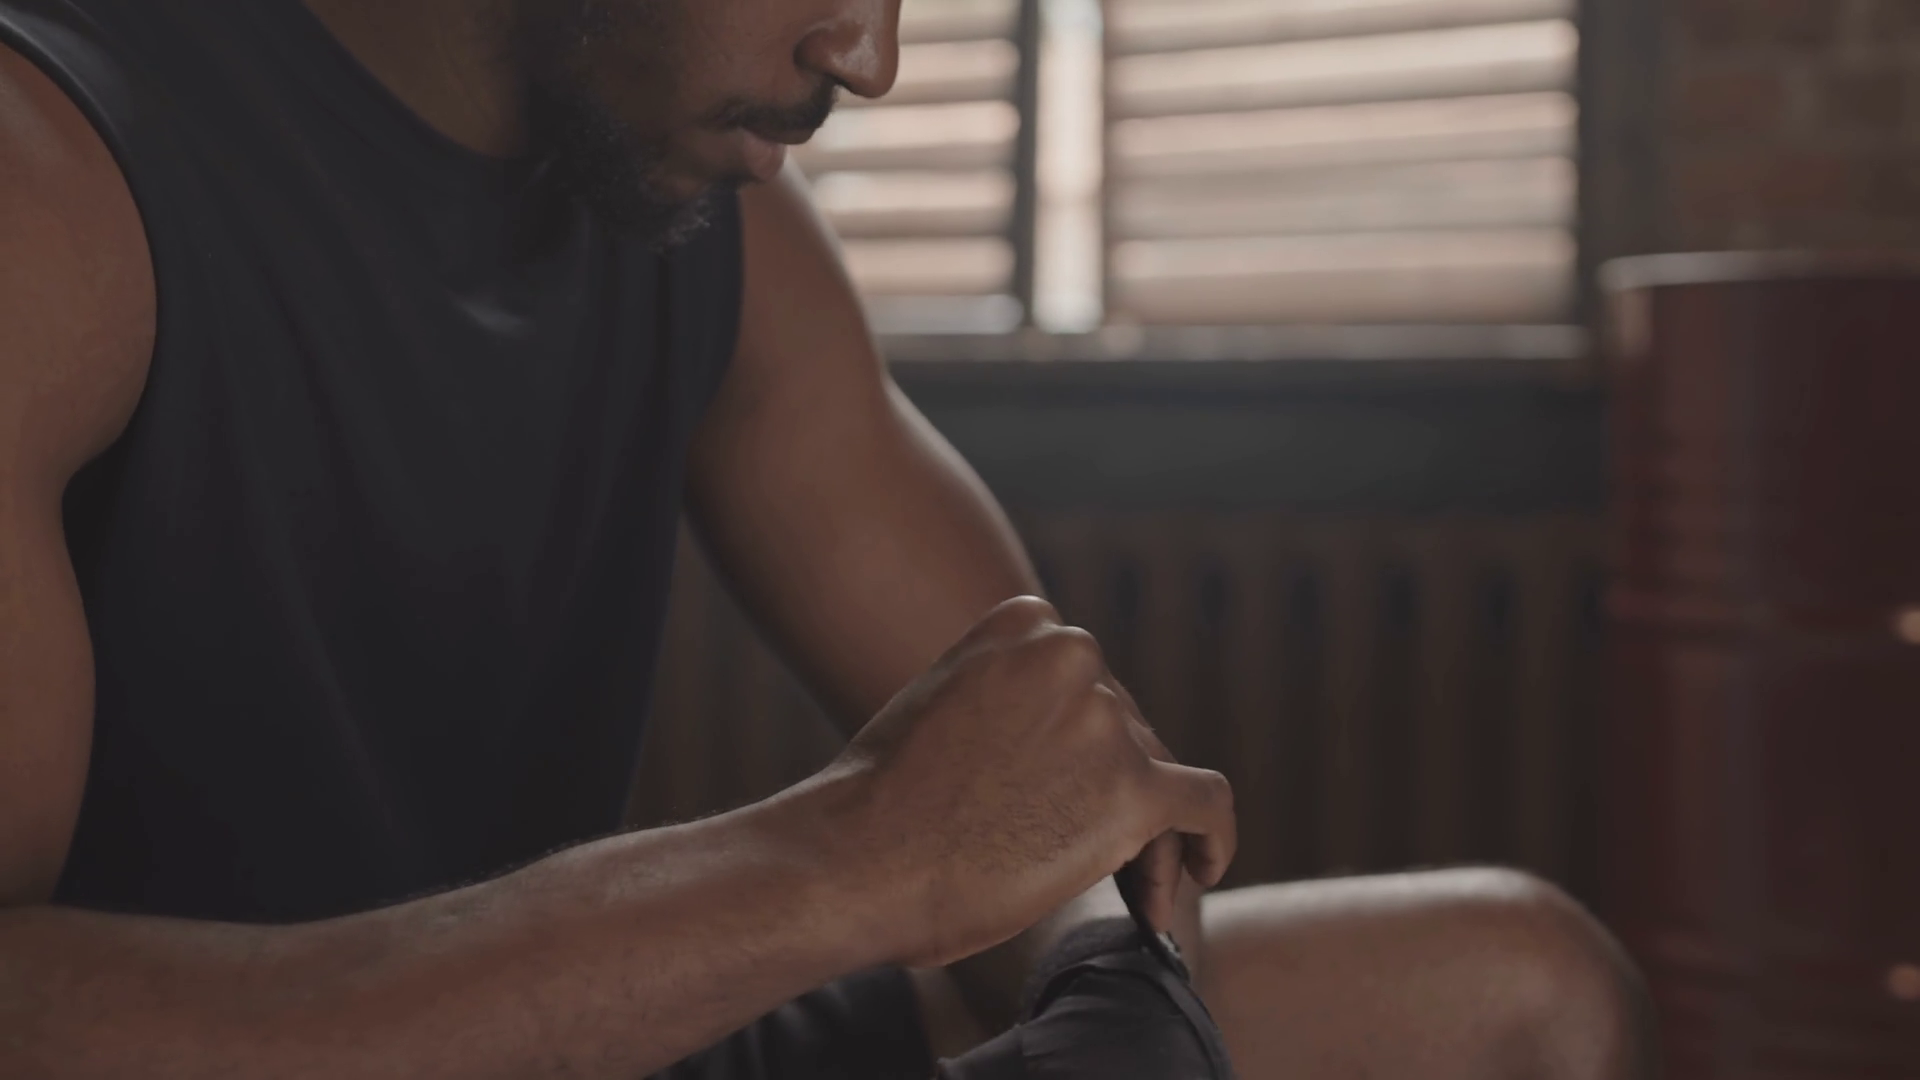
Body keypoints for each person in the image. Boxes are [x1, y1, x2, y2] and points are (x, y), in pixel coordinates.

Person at [0, 0, 1650, 1076]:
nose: (871, 55)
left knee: (1522, 993)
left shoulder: (713, 228)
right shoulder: (55, 193)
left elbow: (1054, 800)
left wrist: (1115, 997)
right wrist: (837, 866)